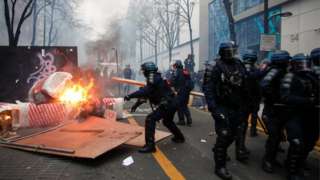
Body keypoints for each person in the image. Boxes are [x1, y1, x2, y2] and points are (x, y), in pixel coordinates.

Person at [203, 42, 249, 180]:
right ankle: (220, 167)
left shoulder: (239, 64)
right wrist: (213, 108)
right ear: (221, 52)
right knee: (224, 135)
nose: (231, 54)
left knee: (234, 135)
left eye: (232, 51)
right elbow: (208, 88)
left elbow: (245, 83)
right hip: (222, 106)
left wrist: (248, 102)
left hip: (237, 106)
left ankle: (218, 149)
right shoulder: (215, 66)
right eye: (228, 51)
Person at [124, 62, 185, 153]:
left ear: (148, 70)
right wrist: (136, 105)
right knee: (167, 121)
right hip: (172, 103)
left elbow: (145, 91)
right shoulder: (155, 77)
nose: (143, 72)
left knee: (150, 119)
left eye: (144, 70)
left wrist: (130, 96)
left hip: (167, 104)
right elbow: (147, 94)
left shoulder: (152, 77)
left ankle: (150, 146)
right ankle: (179, 137)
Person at [280, 54, 319, 180]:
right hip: (293, 115)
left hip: (310, 115)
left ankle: (299, 163)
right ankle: (291, 172)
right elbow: (285, 97)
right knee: (296, 143)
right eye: (300, 64)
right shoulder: (289, 77)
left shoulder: (310, 76)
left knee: (310, 142)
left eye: (305, 64)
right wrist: (307, 100)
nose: (303, 67)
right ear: (294, 65)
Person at [260, 50, 291, 173]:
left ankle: (272, 158)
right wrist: (275, 97)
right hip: (271, 111)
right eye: (287, 60)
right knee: (274, 137)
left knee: (278, 137)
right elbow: (264, 86)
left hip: (280, 111)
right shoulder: (273, 71)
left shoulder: (284, 72)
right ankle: (267, 160)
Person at [242, 51, 262, 137]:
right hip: (252, 97)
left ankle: (248, 131)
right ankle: (252, 131)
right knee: (253, 114)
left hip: (247, 97)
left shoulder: (242, 68)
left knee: (246, 116)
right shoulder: (253, 69)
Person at [171, 60, 194, 126]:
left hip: (180, 91)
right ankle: (189, 119)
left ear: (176, 65)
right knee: (184, 105)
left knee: (179, 106)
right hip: (186, 91)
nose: (174, 67)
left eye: (174, 65)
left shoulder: (176, 71)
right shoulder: (185, 70)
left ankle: (182, 121)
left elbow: (173, 81)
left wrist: (168, 83)